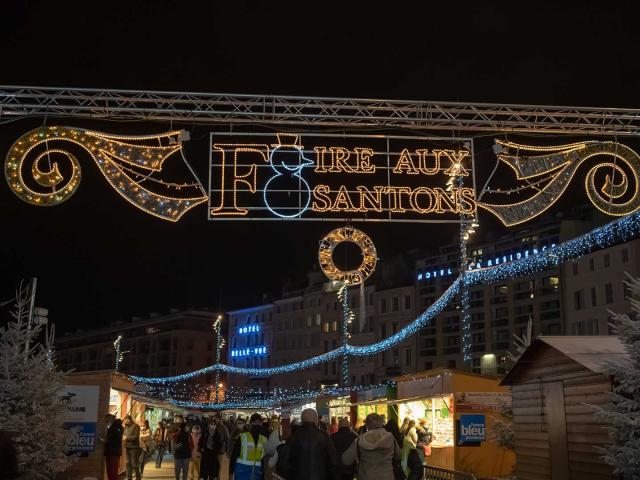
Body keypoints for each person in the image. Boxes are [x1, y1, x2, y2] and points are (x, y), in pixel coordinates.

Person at [283, 408, 337, 480]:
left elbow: (284, 462)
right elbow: (333, 461)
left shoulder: (293, 437)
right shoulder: (324, 436)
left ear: (302, 420)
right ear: (316, 420)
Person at [342, 413, 400, 480]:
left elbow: (346, 460)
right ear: (382, 423)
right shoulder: (391, 438)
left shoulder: (359, 440)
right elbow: (398, 456)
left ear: (367, 425)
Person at [230, 413, 268, 480]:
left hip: (257, 474)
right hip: (241, 474)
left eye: (259, 422)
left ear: (261, 424)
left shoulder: (264, 440)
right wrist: (230, 474)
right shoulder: (242, 437)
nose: (256, 424)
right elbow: (233, 457)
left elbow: (263, 460)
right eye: (254, 422)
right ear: (250, 423)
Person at [103, 415, 123, 480]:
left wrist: (106, 441)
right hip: (112, 452)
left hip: (113, 452)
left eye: (106, 420)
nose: (105, 421)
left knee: (112, 471)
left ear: (110, 419)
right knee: (111, 471)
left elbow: (117, 439)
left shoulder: (117, 427)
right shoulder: (114, 427)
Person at [173, 415, 192, 480]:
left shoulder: (186, 426)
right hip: (178, 452)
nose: (179, 420)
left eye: (180, 419)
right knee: (177, 470)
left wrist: (188, 430)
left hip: (186, 452)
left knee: (185, 471)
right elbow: (172, 437)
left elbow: (189, 437)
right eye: (178, 419)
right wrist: (178, 430)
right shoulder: (174, 427)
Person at [123, 415, 141, 480]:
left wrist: (126, 438)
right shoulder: (126, 427)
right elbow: (124, 435)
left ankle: (138, 477)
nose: (125, 421)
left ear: (129, 419)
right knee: (128, 463)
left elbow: (136, 437)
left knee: (134, 463)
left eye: (126, 420)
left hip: (134, 447)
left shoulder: (136, 426)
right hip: (127, 447)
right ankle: (129, 477)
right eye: (125, 420)